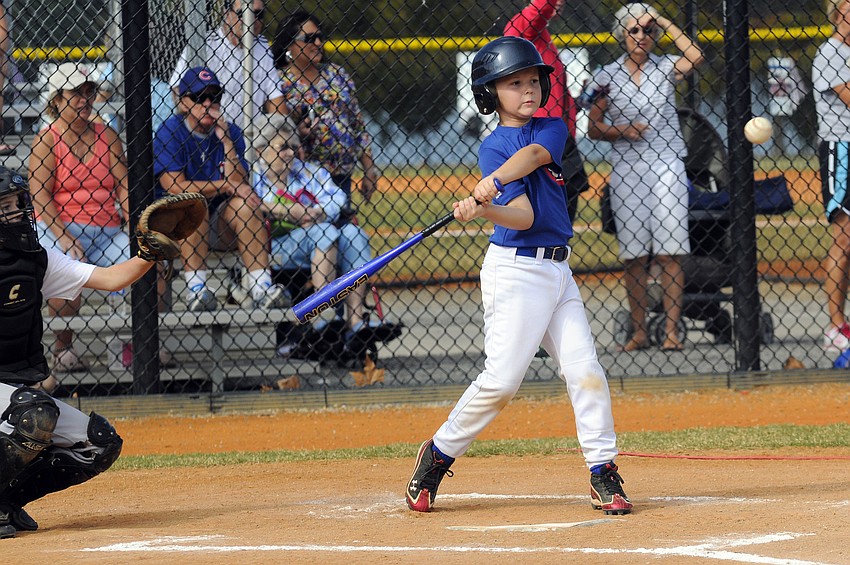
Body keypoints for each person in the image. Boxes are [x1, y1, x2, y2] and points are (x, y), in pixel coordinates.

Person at [404, 37, 632, 516]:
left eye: (533, 80)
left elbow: (531, 158)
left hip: (558, 270)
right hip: (516, 272)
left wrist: (492, 185)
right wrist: (485, 209)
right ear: (491, 93)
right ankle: (438, 453)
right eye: (514, 83)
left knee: (585, 370)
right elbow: (523, 218)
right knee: (502, 382)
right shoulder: (492, 146)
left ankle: (602, 470)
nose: (528, 89)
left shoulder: (551, 127)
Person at [0, 166, 155, 538]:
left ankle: (6, 502)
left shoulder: (35, 258)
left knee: (97, 444)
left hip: (11, 388)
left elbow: (110, 278)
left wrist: (150, 254)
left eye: (17, 204)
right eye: (4, 208)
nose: (16, 214)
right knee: (35, 413)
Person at [586, 3, 703, 352]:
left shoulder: (665, 68)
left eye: (648, 30)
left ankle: (671, 332)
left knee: (670, 251)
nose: (641, 36)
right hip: (627, 168)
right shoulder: (606, 76)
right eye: (634, 30)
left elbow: (696, 56)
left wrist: (662, 19)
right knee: (634, 254)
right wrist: (622, 131)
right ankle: (639, 331)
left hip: (666, 163)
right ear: (622, 34)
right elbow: (593, 128)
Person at [251, 116, 392, 352]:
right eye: (283, 147)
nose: (290, 153)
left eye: (293, 146)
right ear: (260, 150)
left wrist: (317, 213)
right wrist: (289, 212)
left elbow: (338, 198)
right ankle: (322, 314)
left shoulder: (308, 172)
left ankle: (356, 320)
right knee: (325, 231)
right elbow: (252, 203)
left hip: (318, 237)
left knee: (353, 233)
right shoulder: (253, 175)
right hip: (276, 245)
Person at [154, 66, 287, 311]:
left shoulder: (230, 132)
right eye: (198, 97)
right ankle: (197, 290)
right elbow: (174, 187)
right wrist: (225, 185)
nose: (207, 104)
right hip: (175, 227)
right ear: (183, 102)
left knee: (245, 206)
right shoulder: (170, 131)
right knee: (194, 204)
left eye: (213, 97)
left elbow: (240, 186)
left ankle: (262, 288)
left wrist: (226, 143)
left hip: (219, 225)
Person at [28, 62, 131, 373]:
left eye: (89, 92)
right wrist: (65, 237)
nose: (85, 99)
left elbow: (124, 186)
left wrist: (134, 224)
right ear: (57, 99)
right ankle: (63, 350)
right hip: (59, 226)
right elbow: (40, 196)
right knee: (63, 270)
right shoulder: (47, 140)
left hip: (108, 231)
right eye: (76, 93)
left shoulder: (107, 135)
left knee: (147, 265)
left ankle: (135, 346)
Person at [272, 10, 380, 201]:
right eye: (309, 38)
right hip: (304, 177)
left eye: (320, 37)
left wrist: (369, 168)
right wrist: (297, 133)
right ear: (289, 44)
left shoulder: (336, 74)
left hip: (342, 174)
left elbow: (357, 124)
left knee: (341, 216)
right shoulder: (278, 82)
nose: (318, 43)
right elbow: (274, 130)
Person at [504, 0, 589, 222]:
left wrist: (579, 102)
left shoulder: (543, 35)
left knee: (564, 210)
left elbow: (554, 97)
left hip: (558, 137)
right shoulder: (523, 28)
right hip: (540, 138)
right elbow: (539, 10)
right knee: (549, 213)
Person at [169, 0, 285, 129]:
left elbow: (275, 99)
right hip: (211, 132)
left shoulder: (262, 45)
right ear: (226, 14)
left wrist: (283, 130)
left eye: (258, 14)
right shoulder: (204, 44)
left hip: (251, 136)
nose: (252, 19)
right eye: (243, 13)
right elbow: (177, 89)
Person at [813, 0, 850, 352]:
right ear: (838, 13)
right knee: (844, 237)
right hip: (842, 149)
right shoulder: (830, 53)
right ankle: (836, 326)